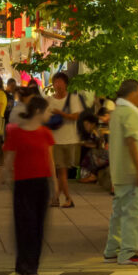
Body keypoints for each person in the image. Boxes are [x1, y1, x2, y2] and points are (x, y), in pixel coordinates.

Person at [1, 94, 53, 275]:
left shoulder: (46, 132)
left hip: (41, 182)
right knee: (25, 225)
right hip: (23, 183)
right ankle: (24, 264)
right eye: (48, 110)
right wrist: (4, 175)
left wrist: (54, 185)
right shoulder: (16, 131)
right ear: (38, 111)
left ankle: (32, 266)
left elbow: (50, 160)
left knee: (38, 226)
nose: (50, 113)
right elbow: (9, 157)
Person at [103, 78, 138, 266]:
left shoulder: (117, 113)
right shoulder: (129, 113)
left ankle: (112, 250)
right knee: (133, 212)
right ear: (132, 94)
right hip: (131, 173)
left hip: (120, 171)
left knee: (119, 212)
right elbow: (132, 142)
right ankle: (128, 252)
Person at [45, 73, 86, 209]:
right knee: (60, 171)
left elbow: (76, 116)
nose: (58, 85)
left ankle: (61, 198)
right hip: (54, 140)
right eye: (56, 82)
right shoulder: (49, 100)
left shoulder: (73, 98)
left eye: (60, 82)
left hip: (69, 139)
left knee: (62, 171)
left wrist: (61, 113)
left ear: (66, 83)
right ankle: (62, 198)